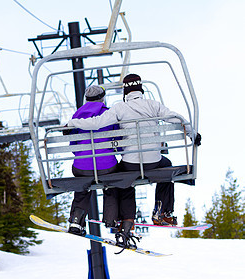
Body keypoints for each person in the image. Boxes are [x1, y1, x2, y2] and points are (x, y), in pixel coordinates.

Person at [68, 74, 201, 227]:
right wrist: (193, 134)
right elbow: (175, 118)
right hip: (154, 162)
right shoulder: (153, 105)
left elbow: (97, 122)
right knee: (167, 168)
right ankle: (162, 212)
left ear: (125, 92)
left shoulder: (119, 108)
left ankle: (124, 222)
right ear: (141, 89)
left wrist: (72, 123)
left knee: (123, 179)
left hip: (130, 163)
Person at [66, 85, 136, 246]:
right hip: (106, 167)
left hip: (82, 167)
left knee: (82, 185)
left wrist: (83, 157)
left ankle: (76, 220)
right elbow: (118, 140)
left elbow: (73, 145)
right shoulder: (109, 113)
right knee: (115, 181)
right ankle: (111, 219)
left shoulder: (76, 116)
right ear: (102, 98)